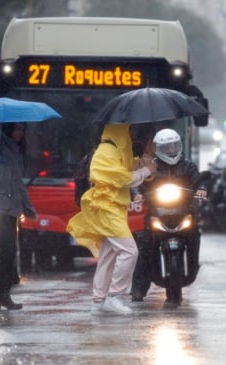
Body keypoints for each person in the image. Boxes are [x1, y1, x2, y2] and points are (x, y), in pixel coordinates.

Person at [67, 124, 156, 316]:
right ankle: (115, 296)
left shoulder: (118, 151)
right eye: (130, 130)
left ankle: (98, 301)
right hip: (106, 208)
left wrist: (144, 162)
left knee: (108, 255)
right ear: (121, 131)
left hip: (113, 208)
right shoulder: (106, 151)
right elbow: (123, 179)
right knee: (130, 251)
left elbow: (130, 172)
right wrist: (145, 171)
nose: (133, 134)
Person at [131, 128, 208, 302]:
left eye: (174, 146)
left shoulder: (188, 165)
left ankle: (193, 266)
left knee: (194, 234)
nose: (170, 151)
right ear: (158, 148)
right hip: (157, 211)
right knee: (145, 246)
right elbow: (138, 181)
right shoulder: (152, 166)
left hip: (184, 210)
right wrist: (136, 193)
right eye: (166, 148)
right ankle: (138, 288)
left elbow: (198, 180)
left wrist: (202, 189)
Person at [0, 122, 37, 310]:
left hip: (10, 208)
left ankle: (2, 294)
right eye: (18, 129)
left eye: (23, 129)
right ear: (8, 129)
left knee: (9, 253)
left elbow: (18, 184)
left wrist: (28, 208)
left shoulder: (15, 152)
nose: (21, 133)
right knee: (6, 250)